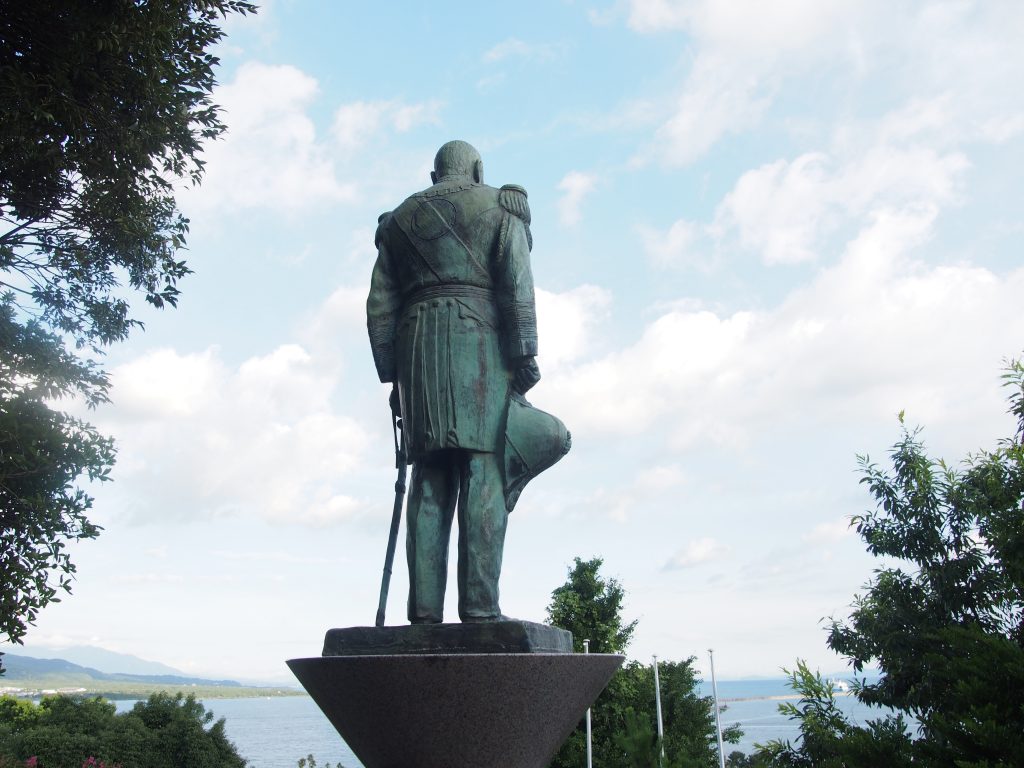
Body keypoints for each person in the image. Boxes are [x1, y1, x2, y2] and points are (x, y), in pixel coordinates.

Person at [366, 140, 545, 623]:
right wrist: (524, 353)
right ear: (479, 169)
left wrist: (394, 378)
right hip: (479, 344)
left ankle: (423, 611)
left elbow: (380, 307)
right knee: (483, 471)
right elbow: (517, 285)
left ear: (433, 174)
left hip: (418, 353)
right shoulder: (500, 206)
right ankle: (480, 608)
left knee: (428, 478)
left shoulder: (398, 221)